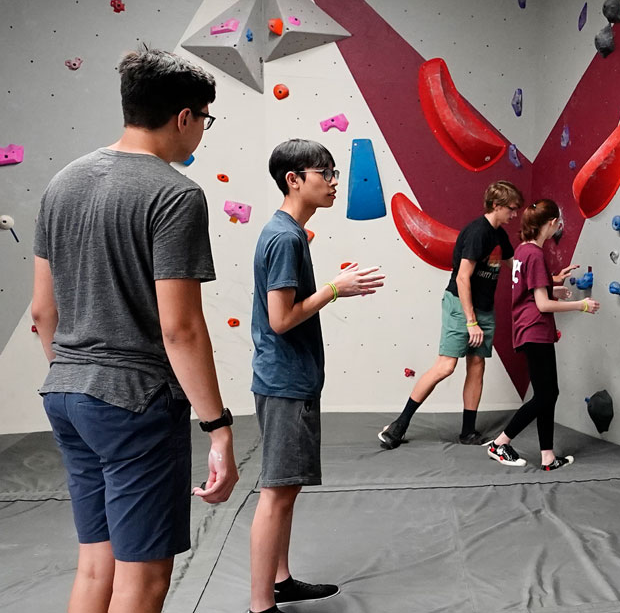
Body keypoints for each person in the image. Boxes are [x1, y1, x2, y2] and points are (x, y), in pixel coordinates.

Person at [30, 47, 239, 613]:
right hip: (134, 403)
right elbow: (181, 329)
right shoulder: (175, 194)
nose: (201, 134)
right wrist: (218, 428)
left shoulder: (61, 183)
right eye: (204, 121)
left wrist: (76, 374)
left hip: (67, 394)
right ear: (184, 118)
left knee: (96, 567)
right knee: (143, 581)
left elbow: (42, 315)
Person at [246, 139, 384, 613]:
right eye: (323, 172)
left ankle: (280, 581)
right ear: (294, 179)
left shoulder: (288, 233)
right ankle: (261, 604)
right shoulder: (285, 237)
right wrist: (335, 289)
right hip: (285, 382)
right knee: (277, 493)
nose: (333, 182)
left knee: (287, 489)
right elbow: (281, 319)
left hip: (289, 379)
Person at [379, 181, 522, 448]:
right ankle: (399, 425)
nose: (514, 215)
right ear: (496, 206)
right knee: (446, 366)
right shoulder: (477, 233)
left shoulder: (499, 235)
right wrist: (470, 321)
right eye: (512, 209)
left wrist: (548, 279)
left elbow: (516, 269)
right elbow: (463, 279)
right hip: (460, 304)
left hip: (484, 307)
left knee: (477, 365)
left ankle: (468, 431)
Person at [486, 199, 596, 470]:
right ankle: (500, 442)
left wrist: (553, 285)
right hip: (535, 330)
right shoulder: (535, 254)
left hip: (530, 330)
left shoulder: (524, 251)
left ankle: (547, 456)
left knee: (548, 393)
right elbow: (542, 305)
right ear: (550, 224)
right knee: (546, 395)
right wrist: (581, 305)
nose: (558, 226)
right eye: (557, 222)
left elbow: (531, 293)